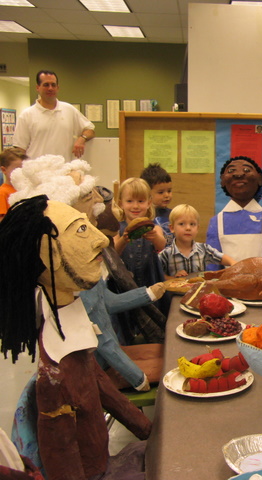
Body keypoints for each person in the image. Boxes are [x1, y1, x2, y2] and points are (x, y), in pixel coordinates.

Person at [0, 195, 151, 480]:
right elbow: (62, 459)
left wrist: (150, 430)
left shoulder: (73, 340)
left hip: (108, 464)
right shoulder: (55, 375)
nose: (101, 239)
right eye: (81, 230)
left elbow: (101, 385)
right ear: (51, 255)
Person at [9, 155, 166, 391]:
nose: (99, 200)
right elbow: (105, 342)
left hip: (100, 359)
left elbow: (108, 303)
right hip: (89, 373)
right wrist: (138, 378)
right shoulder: (72, 283)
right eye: (88, 198)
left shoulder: (87, 274)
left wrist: (148, 294)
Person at [206, 156, 262, 270]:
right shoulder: (216, 223)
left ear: (259, 179)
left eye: (247, 170)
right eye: (231, 170)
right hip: (228, 281)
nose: (238, 174)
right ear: (222, 180)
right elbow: (212, 265)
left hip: (261, 280)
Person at [12, 70, 95, 161]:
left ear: (57, 88)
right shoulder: (26, 115)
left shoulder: (69, 109)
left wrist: (82, 139)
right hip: (37, 169)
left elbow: (90, 130)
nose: (50, 88)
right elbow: (20, 149)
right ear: (38, 87)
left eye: (53, 85)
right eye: (46, 85)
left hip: (64, 168)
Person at [113, 177, 167, 290]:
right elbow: (114, 253)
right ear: (121, 203)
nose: (135, 206)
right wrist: (124, 240)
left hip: (150, 281)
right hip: (125, 282)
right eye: (129, 201)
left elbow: (161, 246)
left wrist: (154, 237)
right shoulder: (116, 229)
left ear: (149, 203)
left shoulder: (155, 228)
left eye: (141, 201)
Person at [159, 203, 236, 277]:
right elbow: (158, 275)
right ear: (172, 228)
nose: (188, 228)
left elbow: (222, 257)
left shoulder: (204, 249)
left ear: (197, 228)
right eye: (182, 224)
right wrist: (174, 278)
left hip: (200, 286)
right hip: (176, 286)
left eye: (192, 224)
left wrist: (234, 264)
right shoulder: (165, 254)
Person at [141, 162, 173, 240]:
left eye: (169, 191)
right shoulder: (142, 215)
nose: (167, 195)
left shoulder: (173, 215)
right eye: (161, 192)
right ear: (147, 193)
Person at [0, 147, 27, 221]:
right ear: (4, 170)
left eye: (23, 169)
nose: (21, 172)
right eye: (17, 169)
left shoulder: (25, 190)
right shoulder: (2, 193)